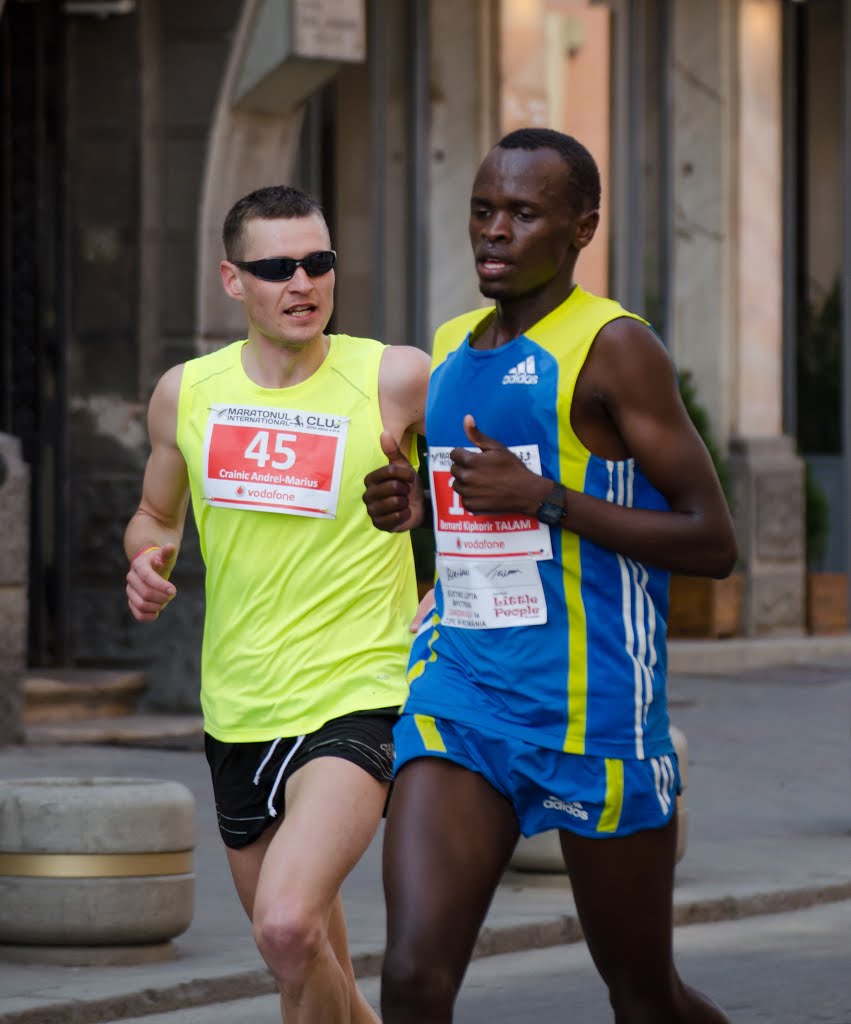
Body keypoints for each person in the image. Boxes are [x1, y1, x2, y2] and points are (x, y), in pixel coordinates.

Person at [362, 128, 738, 1023]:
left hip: (594, 705)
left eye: (522, 214)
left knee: (644, 997)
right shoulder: (452, 348)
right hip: (463, 690)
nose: (494, 232)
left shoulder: (614, 349)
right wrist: (415, 506)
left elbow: (712, 542)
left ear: (581, 228)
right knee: (414, 977)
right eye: (482, 210)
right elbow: (472, 509)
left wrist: (543, 497)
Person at [124, 184, 430, 1024]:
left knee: (287, 927)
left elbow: (494, 477)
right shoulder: (186, 393)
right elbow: (155, 516)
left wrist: (447, 584)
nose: (302, 282)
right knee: (302, 962)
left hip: (361, 688)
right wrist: (146, 562)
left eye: (317, 262)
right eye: (275, 267)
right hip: (239, 701)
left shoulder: (393, 376)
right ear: (233, 279)